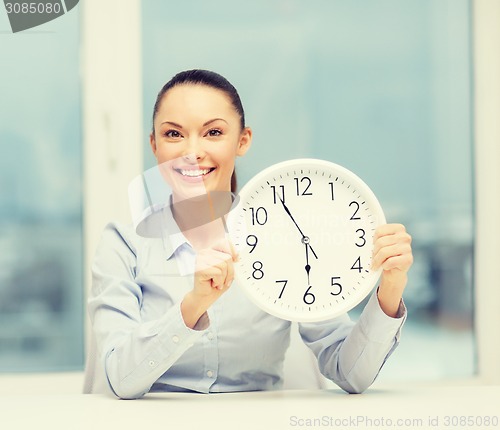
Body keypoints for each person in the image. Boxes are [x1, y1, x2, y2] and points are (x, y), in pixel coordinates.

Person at [87, 69, 413, 399]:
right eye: (174, 134)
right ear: (154, 145)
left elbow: (350, 373)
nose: (192, 151)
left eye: (213, 132)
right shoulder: (124, 245)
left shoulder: (287, 236)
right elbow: (119, 378)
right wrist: (194, 305)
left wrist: (390, 289)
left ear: (242, 141)